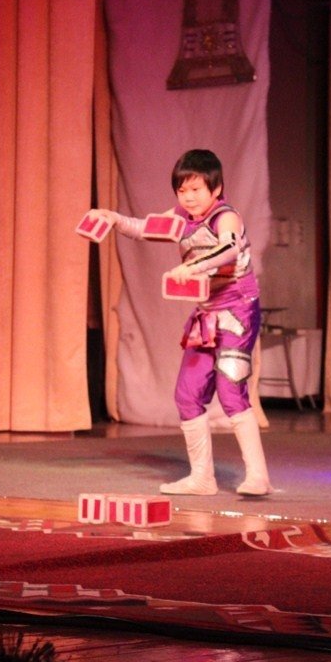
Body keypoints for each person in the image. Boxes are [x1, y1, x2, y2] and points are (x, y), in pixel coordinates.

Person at [86, 149, 272, 496]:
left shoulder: (226, 217)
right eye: (182, 190)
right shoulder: (180, 219)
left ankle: (258, 475)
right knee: (187, 393)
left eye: (196, 189)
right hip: (206, 314)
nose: (188, 197)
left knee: (231, 390)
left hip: (238, 311)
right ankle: (202, 477)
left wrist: (192, 266)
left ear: (216, 189)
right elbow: (143, 228)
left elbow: (229, 249)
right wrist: (112, 218)